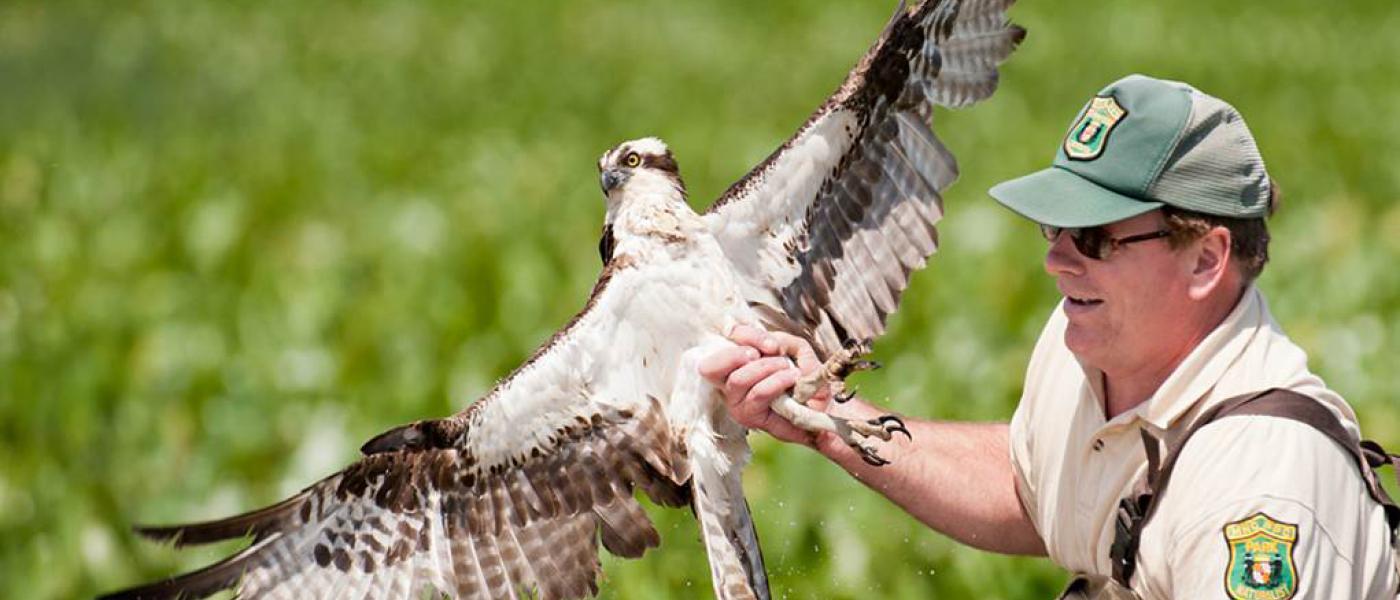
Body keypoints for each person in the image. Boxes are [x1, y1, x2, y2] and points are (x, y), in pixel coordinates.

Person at [700, 74, 1399, 599]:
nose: (1057, 259)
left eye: (1095, 237)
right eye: (1055, 227)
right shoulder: (1090, 338)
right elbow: (1032, 485)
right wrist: (834, 419)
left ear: (1206, 259)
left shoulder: (1264, 487)